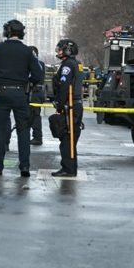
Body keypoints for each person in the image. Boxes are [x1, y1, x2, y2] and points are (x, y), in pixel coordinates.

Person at [0, 19, 44, 176]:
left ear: (6, 32)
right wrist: (28, 83)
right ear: (21, 32)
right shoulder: (28, 51)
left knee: (0, 131)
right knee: (23, 131)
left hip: (0, 93)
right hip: (20, 94)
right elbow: (38, 74)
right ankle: (24, 167)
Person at [51, 39, 82, 177]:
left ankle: (68, 168)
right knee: (71, 137)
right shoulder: (76, 64)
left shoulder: (67, 65)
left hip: (70, 105)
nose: (58, 51)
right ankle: (71, 167)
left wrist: (59, 103)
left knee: (67, 138)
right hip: (76, 105)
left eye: (60, 49)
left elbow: (64, 86)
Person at [28, 46, 46, 146]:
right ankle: (36, 136)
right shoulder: (40, 64)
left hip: (35, 92)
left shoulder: (36, 64)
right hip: (36, 92)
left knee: (35, 116)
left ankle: (37, 137)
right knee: (33, 115)